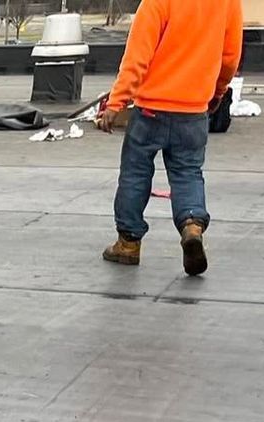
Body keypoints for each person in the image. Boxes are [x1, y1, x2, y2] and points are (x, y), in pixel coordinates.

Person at [95, 0, 243, 276]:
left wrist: (116, 102)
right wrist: (218, 91)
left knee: (135, 173)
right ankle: (192, 226)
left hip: (150, 110)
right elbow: (230, 56)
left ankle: (128, 243)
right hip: (193, 110)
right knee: (188, 173)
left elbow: (138, 55)